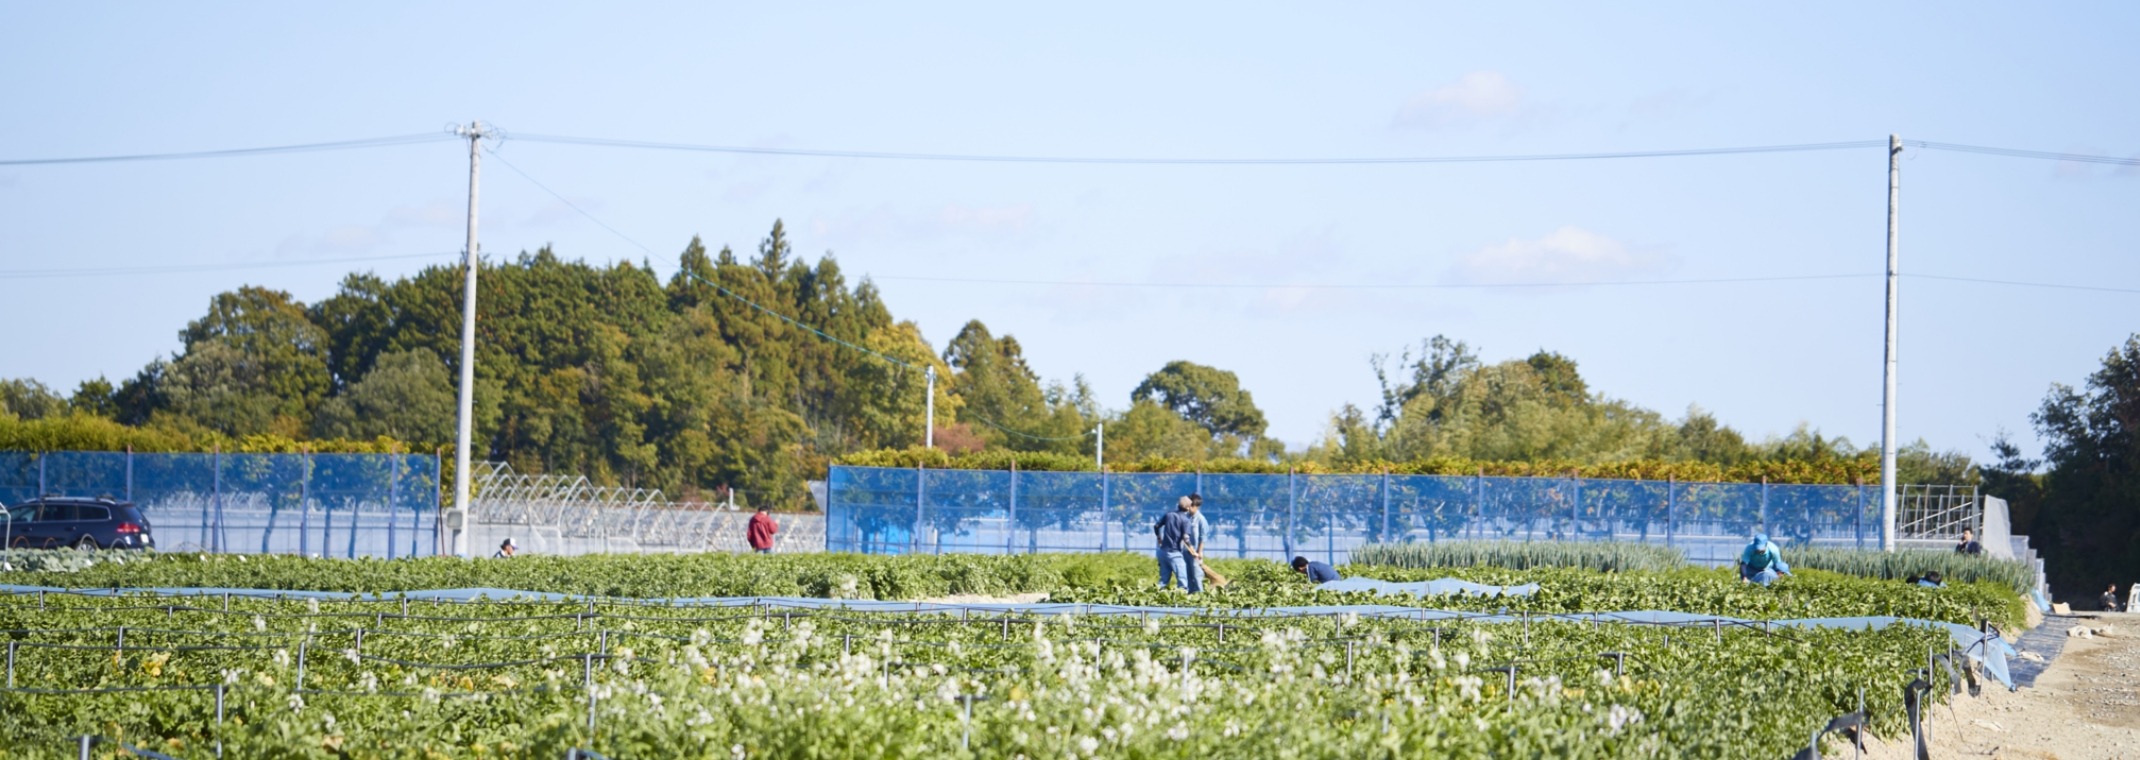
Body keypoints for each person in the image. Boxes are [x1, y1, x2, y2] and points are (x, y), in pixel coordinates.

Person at [1153, 496, 1201, 593]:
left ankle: (1152, 598)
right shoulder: (1185, 520)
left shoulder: (1168, 515)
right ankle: (1181, 601)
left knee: (1163, 581)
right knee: (1183, 582)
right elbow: (1186, 539)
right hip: (1174, 553)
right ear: (1188, 508)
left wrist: (1159, 538)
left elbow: (1156, 526)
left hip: (1162, 552)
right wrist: (1194, 552)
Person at [1187, 494, 1229, 588]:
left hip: (1195, 552)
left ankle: (1199, 593)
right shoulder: (1186, 517)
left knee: (1197, 574)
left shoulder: (1201, 520)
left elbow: (1203, 537)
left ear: (1196, 506)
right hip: (1186, 551)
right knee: (1187, 575)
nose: (1188, 508)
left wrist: (1199, 552)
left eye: (1190, 506)